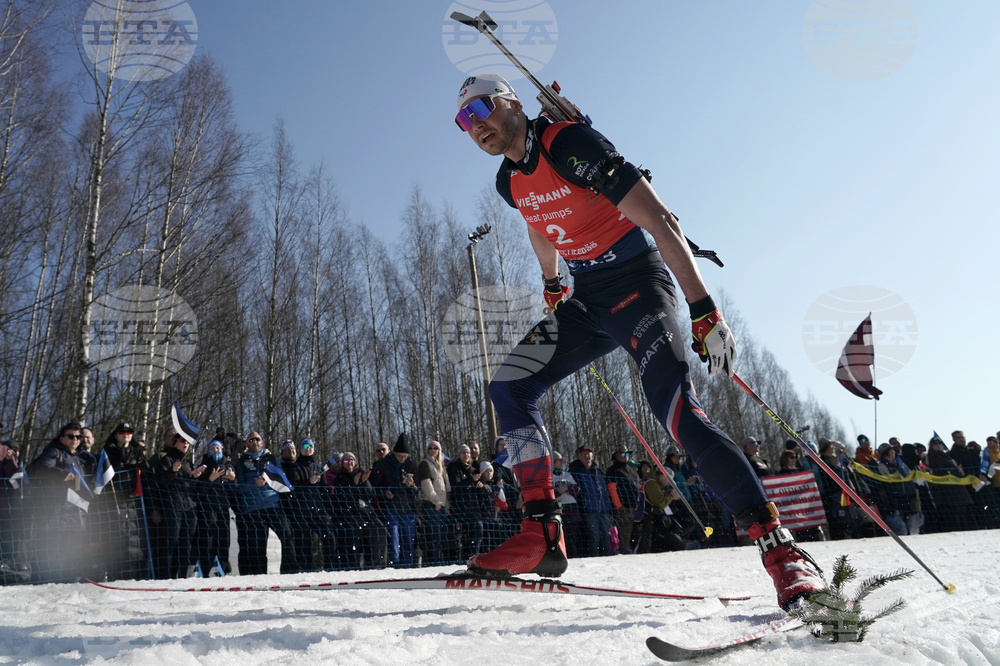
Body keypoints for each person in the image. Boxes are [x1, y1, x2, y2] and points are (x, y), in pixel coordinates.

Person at [455, 72, 824, 609]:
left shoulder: (568, 141)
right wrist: (553, 282)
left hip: (637, 285)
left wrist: (703, 310)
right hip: (587, 299)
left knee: (675, 410)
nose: (475, 125)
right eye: (463, 121)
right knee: (510, 384)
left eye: (482, 108)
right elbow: (538, 221)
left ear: (512, 103)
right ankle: (542, 534)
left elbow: (657, 217)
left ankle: (781, 552)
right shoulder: (506, 182)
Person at [233, 431, 294, 575]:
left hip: (273, 505)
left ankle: (289, 574)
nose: (254, 442)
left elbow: (281, 478)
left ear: (262, 442)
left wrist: (268, 481)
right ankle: (259, 580)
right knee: (258, 547)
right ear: (246, 444)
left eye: (257, 439)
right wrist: (255, 484)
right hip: (252, 508)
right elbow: (238, 486)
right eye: (251, 439)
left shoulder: (271, 458)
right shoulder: (240, 462)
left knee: (288, 536)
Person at [330, 451, 388, 569]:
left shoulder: (361, 474)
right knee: (353, 531)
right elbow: (342, 498)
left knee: (380, 528)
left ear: (355, 462)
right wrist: (355, 484)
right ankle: (352, 566)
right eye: (346, 461)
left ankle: (376, 564)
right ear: (342, 463)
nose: (349, 463)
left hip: (365, 513)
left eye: (351, 460)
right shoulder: (339, 477)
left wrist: (364, 482)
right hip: (347, 513)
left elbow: (369, 495)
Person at [370, 434, 418, 568]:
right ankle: (394, 564)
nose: (402, 458)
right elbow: (374, 485)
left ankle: (408, 566)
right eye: (399, 456)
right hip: (390, 506)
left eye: (405, 456)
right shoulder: (383, 464)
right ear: (394, 453)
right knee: (393, 536)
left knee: (409, 539)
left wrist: (412, 486)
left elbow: (418, 490)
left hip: (408, 508)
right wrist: (384, 491)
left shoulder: (412, 465)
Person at [567, 445, 612, 557]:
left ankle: (607, 556)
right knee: (594, 535)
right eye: (583, 454)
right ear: (578, 457)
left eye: (588, 454)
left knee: (605, 535)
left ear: (592, 456)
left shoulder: (598, 471)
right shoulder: (575, 471)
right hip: (588, 509)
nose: (587, 456)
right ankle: (594, 557)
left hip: (603, 507)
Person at [417, 440, 451, 565]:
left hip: (441, 505)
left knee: (441, 536)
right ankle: (433, 563)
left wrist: (446, 505)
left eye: (435, 448)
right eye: (430, 448)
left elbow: (445, 488)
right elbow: (427, 485)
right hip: (431, 504)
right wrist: (436, 501)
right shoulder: (425, 464)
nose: (432, 450)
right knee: (434, 535)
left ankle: (440, 561)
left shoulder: (441, 465)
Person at [447, 444, 485, 558]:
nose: (466, 455)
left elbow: (475, 489)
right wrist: (470, 480)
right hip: (460, 508)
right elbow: (456, 486)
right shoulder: (454, 467)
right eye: (463, 452)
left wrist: (479, 485)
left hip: (474, 507)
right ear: (459, 455)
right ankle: (464, 557)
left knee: (478, 528)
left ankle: (475, 555)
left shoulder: (473, 469)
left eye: (468, 453)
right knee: (464, 535)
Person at [604, 445, 640, 554]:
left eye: (628, 454)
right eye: (623, 454)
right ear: (616, 456)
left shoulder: (631, 469)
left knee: (638, 533)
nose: (626, 456)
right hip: (624, 508)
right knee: (625, 536)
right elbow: (612, 489)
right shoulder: (613, 470)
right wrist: (619, 506)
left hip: (637, 507)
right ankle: (623, 554)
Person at [551, 452, 580, 558]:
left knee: (574, 535)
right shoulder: (550, 477)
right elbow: (548, 493)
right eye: (559, 460)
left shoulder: (567, 475)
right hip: (559, 509)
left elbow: (577, 489)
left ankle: (575, 555)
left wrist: (567, 488)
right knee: (564, 535)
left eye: (562, 460)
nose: (561, 463)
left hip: (572, 509)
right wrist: (558, 492)